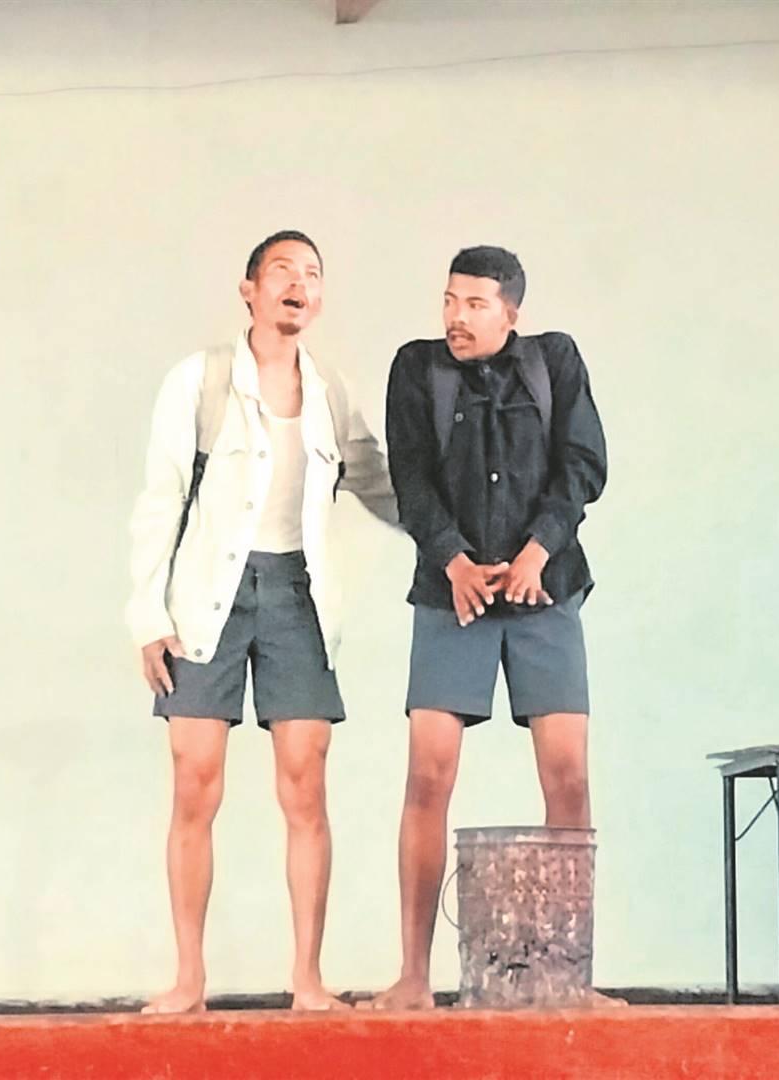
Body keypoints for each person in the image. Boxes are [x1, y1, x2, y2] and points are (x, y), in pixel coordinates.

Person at [126, 230, 397, 1013]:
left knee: (305, 785)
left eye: (311, 273)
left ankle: (307, 979)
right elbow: (160, 498)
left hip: (296, 596)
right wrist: (147, 613)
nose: (298, 283)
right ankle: (188, 979)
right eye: (282, 270)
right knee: (194, 783)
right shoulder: (199, 380)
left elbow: (379, 484)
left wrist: (457, 540)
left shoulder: (330, 390)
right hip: (204, 593)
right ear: (248, 288)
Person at [365, 245, 608, 1009]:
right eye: (448, 301)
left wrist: (537, 552)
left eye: (473, 304)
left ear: (510, 313)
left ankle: (568, 979)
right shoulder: (417, 368)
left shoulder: (553, 361)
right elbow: (409, 478)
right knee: (426, 776)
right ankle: (412, 976)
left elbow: (582, 466)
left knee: (567, 780)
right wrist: (454, 561)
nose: (455, 317)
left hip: (544, 590)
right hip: (453, 596)